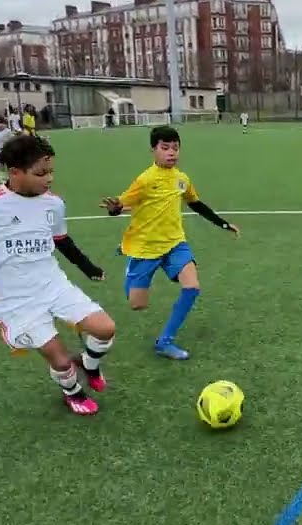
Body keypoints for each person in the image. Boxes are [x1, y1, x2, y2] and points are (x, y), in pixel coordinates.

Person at [0, 135, 116, 416]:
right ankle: (72, 392)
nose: (49, 178)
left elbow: (62, 240)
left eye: (51, 171)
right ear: (14, 172)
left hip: (53, 285)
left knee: (105, 329)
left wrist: (89, 268)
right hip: (15, 299)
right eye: (40, 173)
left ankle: (89, 364)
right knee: (61, 362)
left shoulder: (53, 204)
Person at [101, 125, 241, 360]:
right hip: (146, 248)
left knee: (192, 288)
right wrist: (115, 209)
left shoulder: (182, 179)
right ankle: (130, 260)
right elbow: (123, 203)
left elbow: (196, 204)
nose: (171, 153)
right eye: (165, 148)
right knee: (137, 305)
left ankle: (165, 341)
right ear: (153, 150)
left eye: (175, 148)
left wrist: (224, 224)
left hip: (176, 244)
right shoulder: (144, 180)